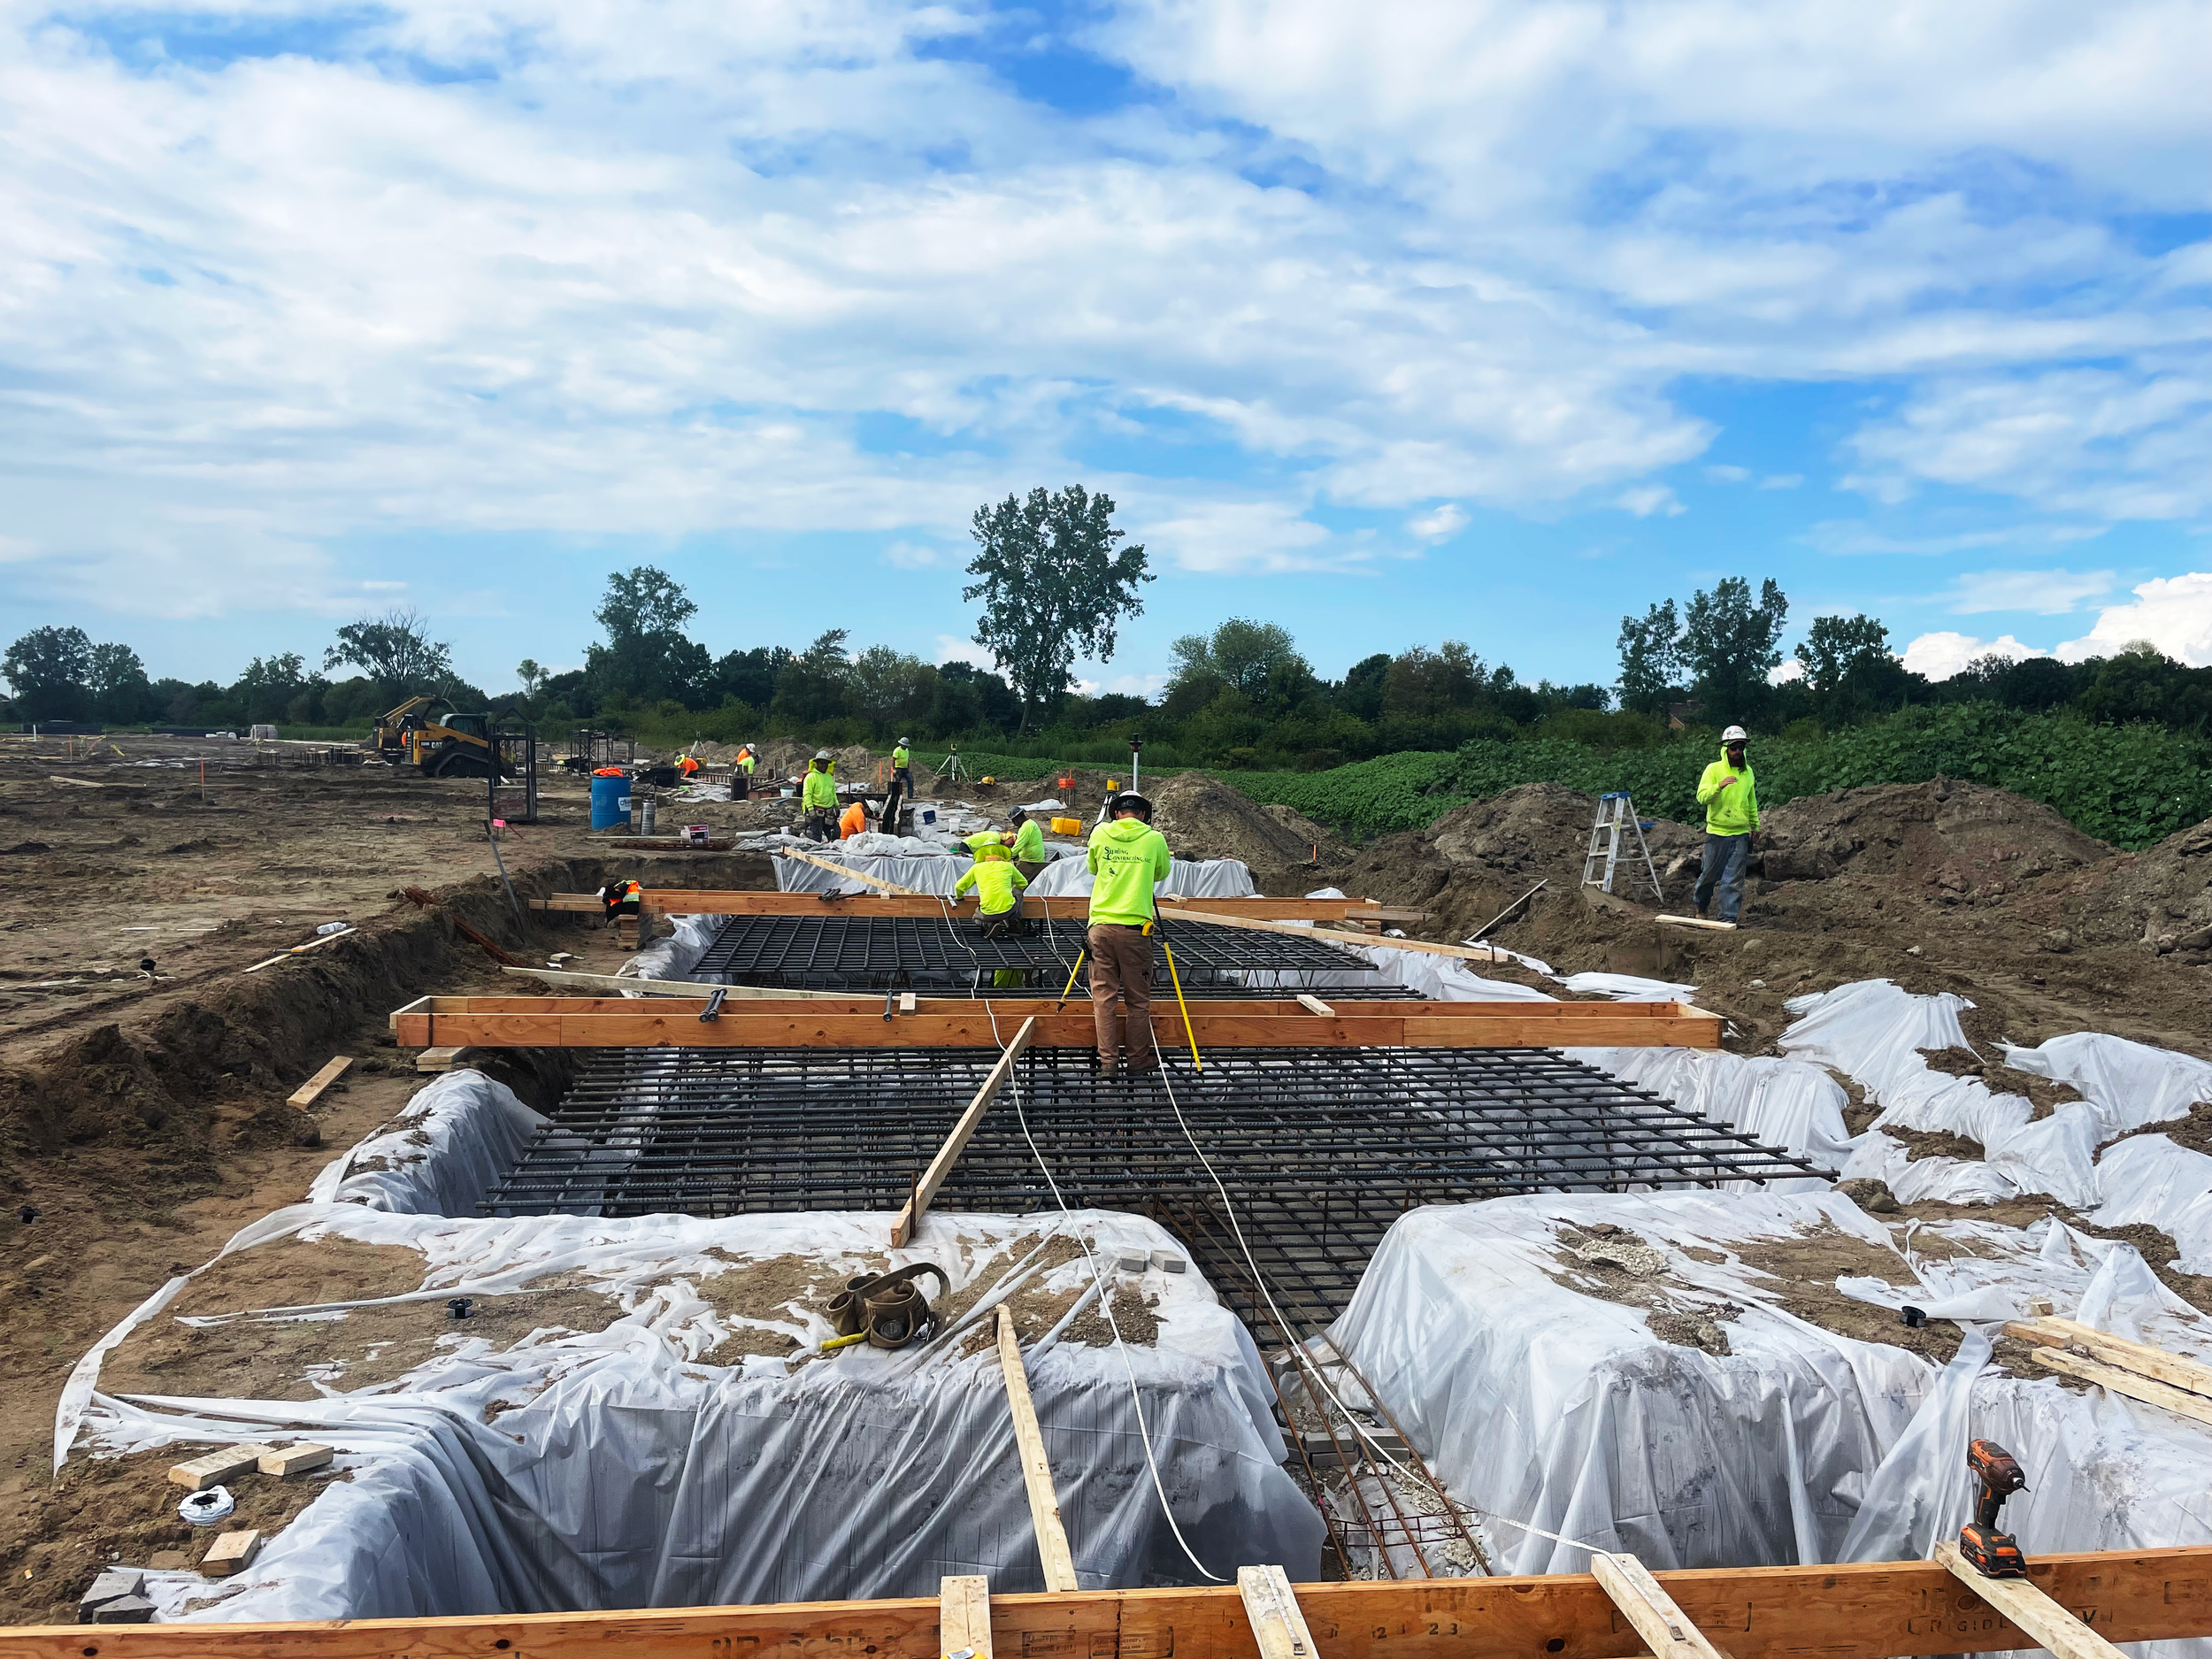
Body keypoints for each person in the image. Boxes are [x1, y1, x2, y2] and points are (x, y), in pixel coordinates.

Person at [1085, 791, 1173, 1078]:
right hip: (1136, 930)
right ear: (1144, 815)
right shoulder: (1154, 839)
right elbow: (1161, 872)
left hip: (1100, 928)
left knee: (1103, 998)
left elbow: (1092, 867)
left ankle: (1108, 1063)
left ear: (1116, 813)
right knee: (1137, 1001)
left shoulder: (1100, 833)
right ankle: (1137, 1060)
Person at [1694, 725, 1761, 924]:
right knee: (1709, 875)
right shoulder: (1713, 770)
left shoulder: (1747, 773)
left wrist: (1754, 825)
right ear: (1726, 749)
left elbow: (1751, 801)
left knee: (1733, 880)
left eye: (1740, 746)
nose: (1737, 751)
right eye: (1733, 747)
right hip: (1717, 833)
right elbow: (1702, 797)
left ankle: (1727, 917)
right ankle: (1701, 905)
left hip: (1740, 833)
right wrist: (1718, 787)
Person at [955, 841, 1029, 939]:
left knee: (976, 918)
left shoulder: (976, 868)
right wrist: (1009, 887)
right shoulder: (1008, 866)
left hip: (987, 914)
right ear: (1001, 853)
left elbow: (959, 886)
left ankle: (990, 925)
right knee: (1017, 891)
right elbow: (1023, 883)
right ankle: (1013, 924)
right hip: (1009, 911)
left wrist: (959, 897)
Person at [802, 749, 839, 841]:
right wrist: (810, 809)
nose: (824, 765)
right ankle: (814, 854)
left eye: (826, 763)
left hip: (829, 811)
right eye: (822, 763)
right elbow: (807, 794)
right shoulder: (811, 777)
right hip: (816, 810)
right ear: (817, 763)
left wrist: (837, 805)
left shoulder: (829, 777)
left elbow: (833, 792)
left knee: (835, 834)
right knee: (816, 837)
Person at [1008, 807, 1048, 883]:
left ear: (1018, 819)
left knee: (1017, 882)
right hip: (1035, 860)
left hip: (1030, 862)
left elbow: (1018, 846)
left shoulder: (1026, 827)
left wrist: (1006, 856)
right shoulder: (1031, 823)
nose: (1015, 824)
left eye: (1014, 822)